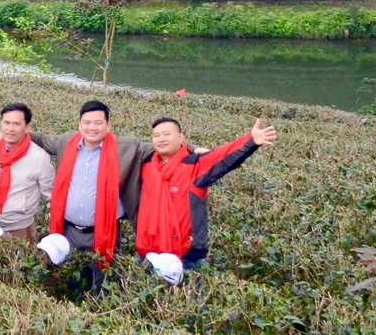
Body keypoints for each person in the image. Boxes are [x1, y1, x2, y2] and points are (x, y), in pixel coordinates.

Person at [33, 99, 154, 291]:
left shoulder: (125, 147)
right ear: (79, 124)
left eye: (98, 123)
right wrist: (8, 135)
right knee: (68, 280)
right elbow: (39, 139)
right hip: (68, 231)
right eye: (87, 122)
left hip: (104, 232)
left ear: (108, 125)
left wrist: (192, 149)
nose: (92, 128)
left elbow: (162, 145)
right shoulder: (66, 141)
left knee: (101, 283)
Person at [134, 116, 278, 270]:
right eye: (156, 135)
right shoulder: (145, 166)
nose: (161, 139)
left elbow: (222, 156)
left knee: (188, 293)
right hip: (147, 253)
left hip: (185, 256)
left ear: (181, 137)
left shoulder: (195, 165)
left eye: (167, 134)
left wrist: (250, 141)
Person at [0, 101, 54, 243]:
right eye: (6, 123)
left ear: (27, 127)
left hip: (19, 227)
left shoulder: (39, 157)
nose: (10, 129)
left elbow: (50, 195)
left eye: (16, 124)